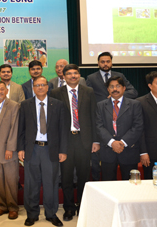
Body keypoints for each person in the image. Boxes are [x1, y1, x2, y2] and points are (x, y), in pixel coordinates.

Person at [50, 64, 98, 221]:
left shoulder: (88, 92)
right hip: (66, 141)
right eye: (69, 73)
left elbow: (93, 116)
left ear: (79, 75)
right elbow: (54, 121)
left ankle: (83, 205)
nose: (73, 76)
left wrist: (95, 140)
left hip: (84, 140)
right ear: (63, 76)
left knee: (84, 175)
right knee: (66, 177)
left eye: (75, 73)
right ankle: (69, 208)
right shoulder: (56, 93)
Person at [18, 76, 68, 227]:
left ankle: (51, 214)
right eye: (37, 85)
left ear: (48, 87)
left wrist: (63, 150)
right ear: (33, 88)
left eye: (43, 85)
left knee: (51, 183)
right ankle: (32, 214)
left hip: (50, 149)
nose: (40, 87)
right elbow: (21, 129)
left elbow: (63, 130)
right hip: (31, 149)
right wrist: (20, 148)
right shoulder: (25, 105)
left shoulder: (58, 105)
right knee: (31, 183)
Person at [86, 51, 138, 181]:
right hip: (103, 119)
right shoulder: (91, 78)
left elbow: (133, 91)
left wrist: (117, 96)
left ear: (111, 62)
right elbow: (86, 97)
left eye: (107, 61)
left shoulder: (119, 75)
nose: (105, 64)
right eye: (102, 61)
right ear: (98, 63)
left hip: (122, 120)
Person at [96, 76, 143, 181]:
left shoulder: (135, 104)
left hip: (128, 150)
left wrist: (122, 142)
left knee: (129, 186)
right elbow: (99, 126)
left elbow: (138, 126)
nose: (115, 89)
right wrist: (112, 142)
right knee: (108, 186)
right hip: (108, 151)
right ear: (108, 90)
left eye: (118, 86)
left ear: (124, 88)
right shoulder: (100, 105)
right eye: (111, 87)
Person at [0, 81, 20, 220]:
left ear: (6, 91)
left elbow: (15, 128)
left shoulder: (14, 106)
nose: (0, 92)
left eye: (2, 89)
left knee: (11, 179)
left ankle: (13, 207)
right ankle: (2, 205)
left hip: (8, 150)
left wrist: (11, 148)